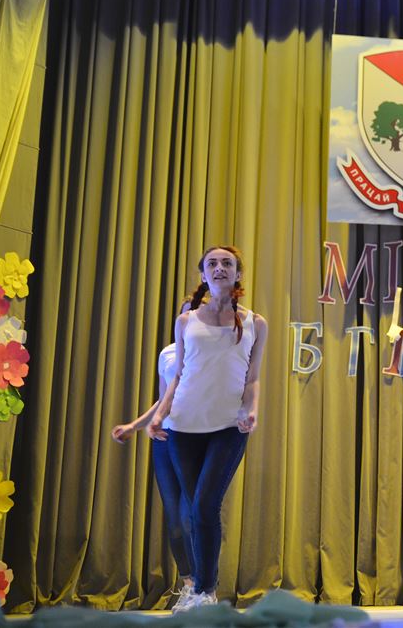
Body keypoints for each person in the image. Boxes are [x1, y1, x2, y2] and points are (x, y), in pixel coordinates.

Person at [147, 245, 268, 610]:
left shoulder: (255, 323)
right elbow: (178, 375)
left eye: (227, 263)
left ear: (237, 274)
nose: (219, 268)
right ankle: (199, 589)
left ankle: (205, 591)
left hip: (228, 427)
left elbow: (253, 378)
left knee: (204, 506)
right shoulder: (186, 321)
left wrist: (251, 410)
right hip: (184, 427)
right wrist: (159, 415)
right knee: (193, 510)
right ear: (203, 274)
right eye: (212, 263)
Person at [111, 300, 199, 613]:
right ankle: (189, 585)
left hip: (196, 440)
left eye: (195, 310)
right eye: (185, 310)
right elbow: (163, 399)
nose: (188, 316)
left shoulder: (214, 351)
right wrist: (135, 426)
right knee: (174, 520)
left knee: (191, 517)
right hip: (165, 440)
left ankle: (205, 587)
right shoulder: (168, 353)